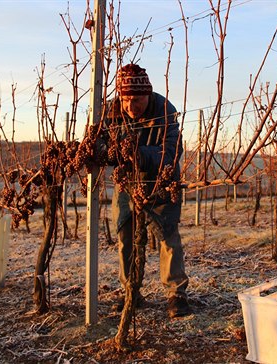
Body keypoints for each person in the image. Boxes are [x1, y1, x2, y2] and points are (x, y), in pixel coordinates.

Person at [105, 63, 192, 318]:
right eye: (126, 100)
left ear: (148, 95)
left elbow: (172, 152)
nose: (131, 106)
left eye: (137, 100)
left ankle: (176, 293)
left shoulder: (166, 110)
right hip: (127, 183)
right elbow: (101, 141)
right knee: (125, 235)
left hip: (161, 182)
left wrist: (139, 154)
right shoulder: (110, 111)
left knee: (168, 237)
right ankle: (131, 290)